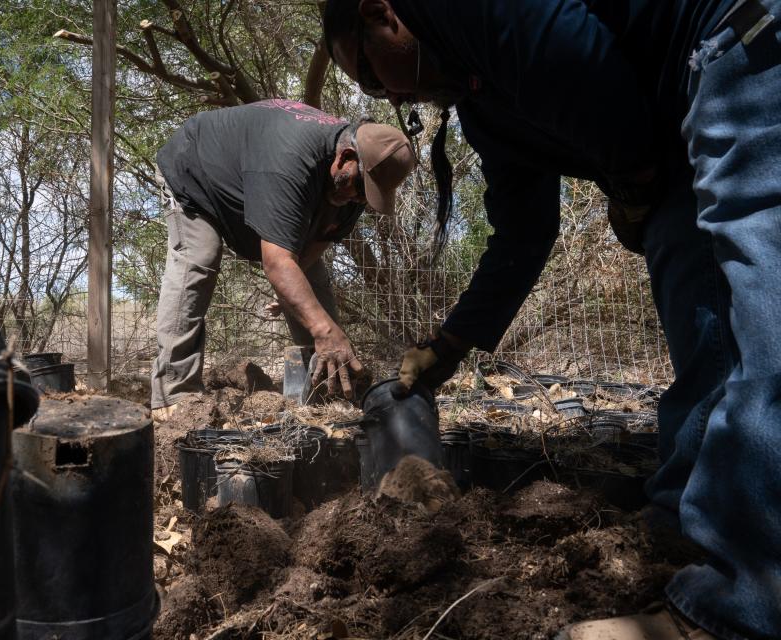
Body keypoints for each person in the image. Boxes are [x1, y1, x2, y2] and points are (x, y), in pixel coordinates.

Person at [324, 1, 781, 639]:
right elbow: (524, 233)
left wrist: (633, 180)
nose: (386, 92)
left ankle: (744, 605)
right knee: (702, 330)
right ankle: (683, 528)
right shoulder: (485, 105)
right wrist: (449, 345)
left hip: (740, 44)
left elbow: (587, 63)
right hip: (674, 125)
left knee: (764, 316)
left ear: (383, 14)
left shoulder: (476, 14)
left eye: (371, 72)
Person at [151, 99, 415, 420]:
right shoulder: (290, 160)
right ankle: (173, 393)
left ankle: (326, 392)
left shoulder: (354, 183)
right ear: (345, 157)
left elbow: (313, 246)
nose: (358, 200)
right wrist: (324, 329)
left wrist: (294, 289)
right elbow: (277, 262)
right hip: (196, 173)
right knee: (200, 257)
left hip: (252, 182)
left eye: (367, 196)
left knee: (310, 282)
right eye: (360, 188)